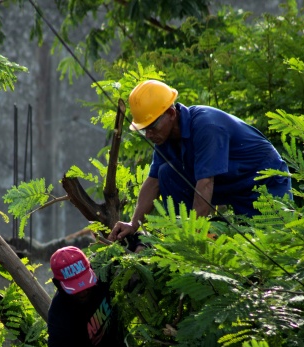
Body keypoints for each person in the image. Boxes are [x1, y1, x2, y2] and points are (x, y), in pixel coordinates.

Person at [109, 79, 292, 241]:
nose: (148, 134)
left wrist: (193, 235)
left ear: (171, 113)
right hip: (232, 184)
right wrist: (133, 224)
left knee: (274, 245)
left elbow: (205, 183)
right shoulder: (164, 136)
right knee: (167, 173)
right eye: (143, 130)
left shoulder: (206, 126)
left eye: (152, 127)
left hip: (265, 183)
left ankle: (194, 237)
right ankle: (192, 238)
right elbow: (153, 181)